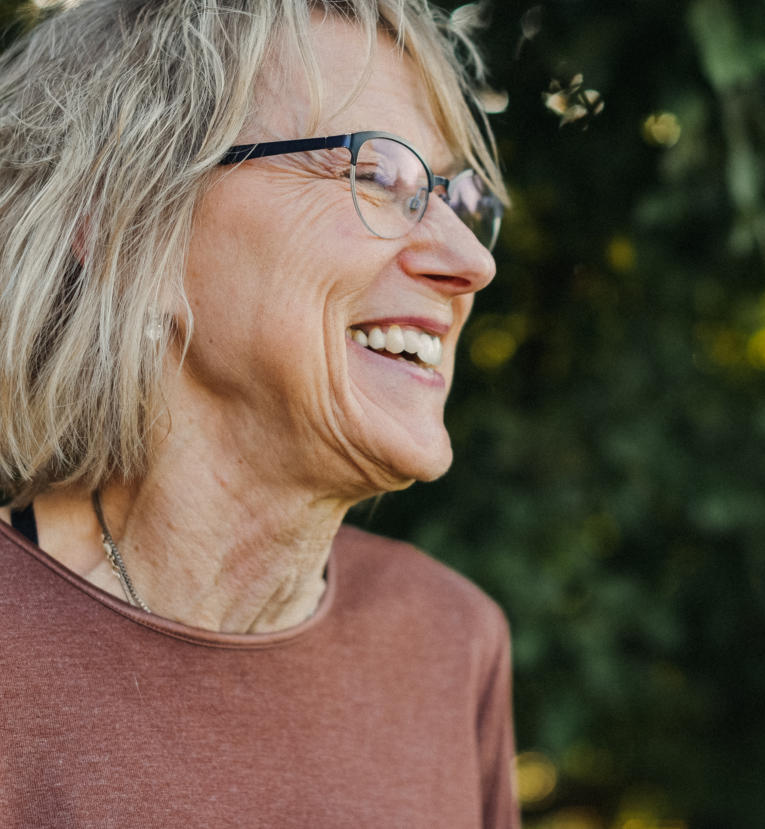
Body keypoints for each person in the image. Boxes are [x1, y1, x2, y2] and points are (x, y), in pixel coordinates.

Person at [0, 0, 517, 825]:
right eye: (378, 175)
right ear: (128, 224)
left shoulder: (449, 644)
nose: (473, 260)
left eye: (460, 198)